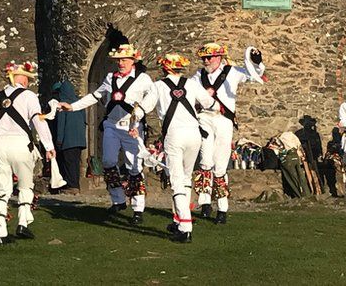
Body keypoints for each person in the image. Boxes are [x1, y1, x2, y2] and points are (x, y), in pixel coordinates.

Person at [60, 43, 156, 223]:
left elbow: (153, 97)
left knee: (134, 166)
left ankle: (138, 208)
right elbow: (95, 96)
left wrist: (141, 111)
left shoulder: (143, 79)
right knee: (108, 161)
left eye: (124, 60)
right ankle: (118, 199)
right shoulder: (110, 77)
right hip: (111, 125)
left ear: (133, 61)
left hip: (131, 127)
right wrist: (72, 107)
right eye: (118, 60)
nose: (121, 63)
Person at [0, 60, 55, 244]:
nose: (28, 82)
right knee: (25, 185)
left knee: (1, 188)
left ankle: (1, 232)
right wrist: (49, 146)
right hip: (20, 144)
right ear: (19, 78)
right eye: (27, 78)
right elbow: (38, 120)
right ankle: (23, 223)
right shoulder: (29, 96)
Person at [143, 53, 216, 243]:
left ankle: (185, 227)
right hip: (194, 134)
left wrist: (130, 117)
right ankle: (178, 220)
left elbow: (144, 107)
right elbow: (209, 103)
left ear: (165, 68)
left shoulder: (158, 86)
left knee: (176, 181)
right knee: (185, 178)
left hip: (174, 135)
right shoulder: (191, 84)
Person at [191, 43, 265, 224]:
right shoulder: (198, 76)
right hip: (204, 119)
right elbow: (188, 94)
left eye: (209, 57)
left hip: (224, 120)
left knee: (221, 163)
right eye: (204, 58)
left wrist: (256, 60)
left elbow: (254, 75)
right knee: (205, 160)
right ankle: (205, 202)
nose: (206, 61)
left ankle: (222, 208)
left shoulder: (232, 72)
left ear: (219, 57)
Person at [50, 78, 86, 193]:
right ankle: (75, 184)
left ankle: (72, 186)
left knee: (69, 163)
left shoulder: (63, 105)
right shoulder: (79, 104)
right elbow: (84, 122)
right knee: (75, 163)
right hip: (80, 140)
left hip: (68, 141)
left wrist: (59, 141)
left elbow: (61, 125)